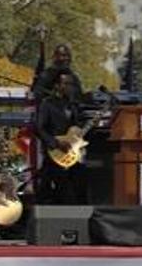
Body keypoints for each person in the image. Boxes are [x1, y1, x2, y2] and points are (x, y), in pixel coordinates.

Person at [35, 69, 90, 205]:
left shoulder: (73, 105)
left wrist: (86, 127)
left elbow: (76, 129)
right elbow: (39, 128)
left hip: (72, 153)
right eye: (65, 84)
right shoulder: (47, 104)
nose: (69, 87)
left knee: (79, 185)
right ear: (57, 86)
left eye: (71, 84)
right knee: (55, 188)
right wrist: (56, 143)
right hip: (54, 152)